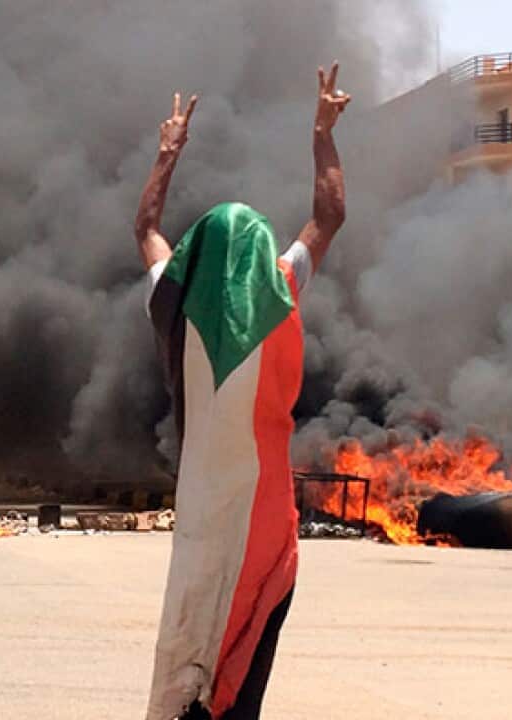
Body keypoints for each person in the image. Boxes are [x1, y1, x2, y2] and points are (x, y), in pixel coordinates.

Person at [135, 64, 351, 720]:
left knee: (188, 661)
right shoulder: (280, 287)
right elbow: (329, 216)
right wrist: (322, 134)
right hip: (268, 532)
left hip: (204, 524)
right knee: (243, 682)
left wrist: (166, 156)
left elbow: (146, 231)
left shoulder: (173, 303)